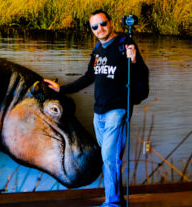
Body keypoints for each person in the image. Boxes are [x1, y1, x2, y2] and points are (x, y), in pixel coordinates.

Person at [44, 9, 149, 207]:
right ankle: (116, 199)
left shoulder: (125, 44)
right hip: (99, 112)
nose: (99, 29)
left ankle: (113, 202)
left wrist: (134, 60)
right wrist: (61, 90)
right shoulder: (98, 50)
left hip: (117, 111)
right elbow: (88, 77)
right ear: (91, 29)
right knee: (109, 158)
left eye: (102, 24)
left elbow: (141, 74)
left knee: (110, 159)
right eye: (95, 26)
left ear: (110, 22)